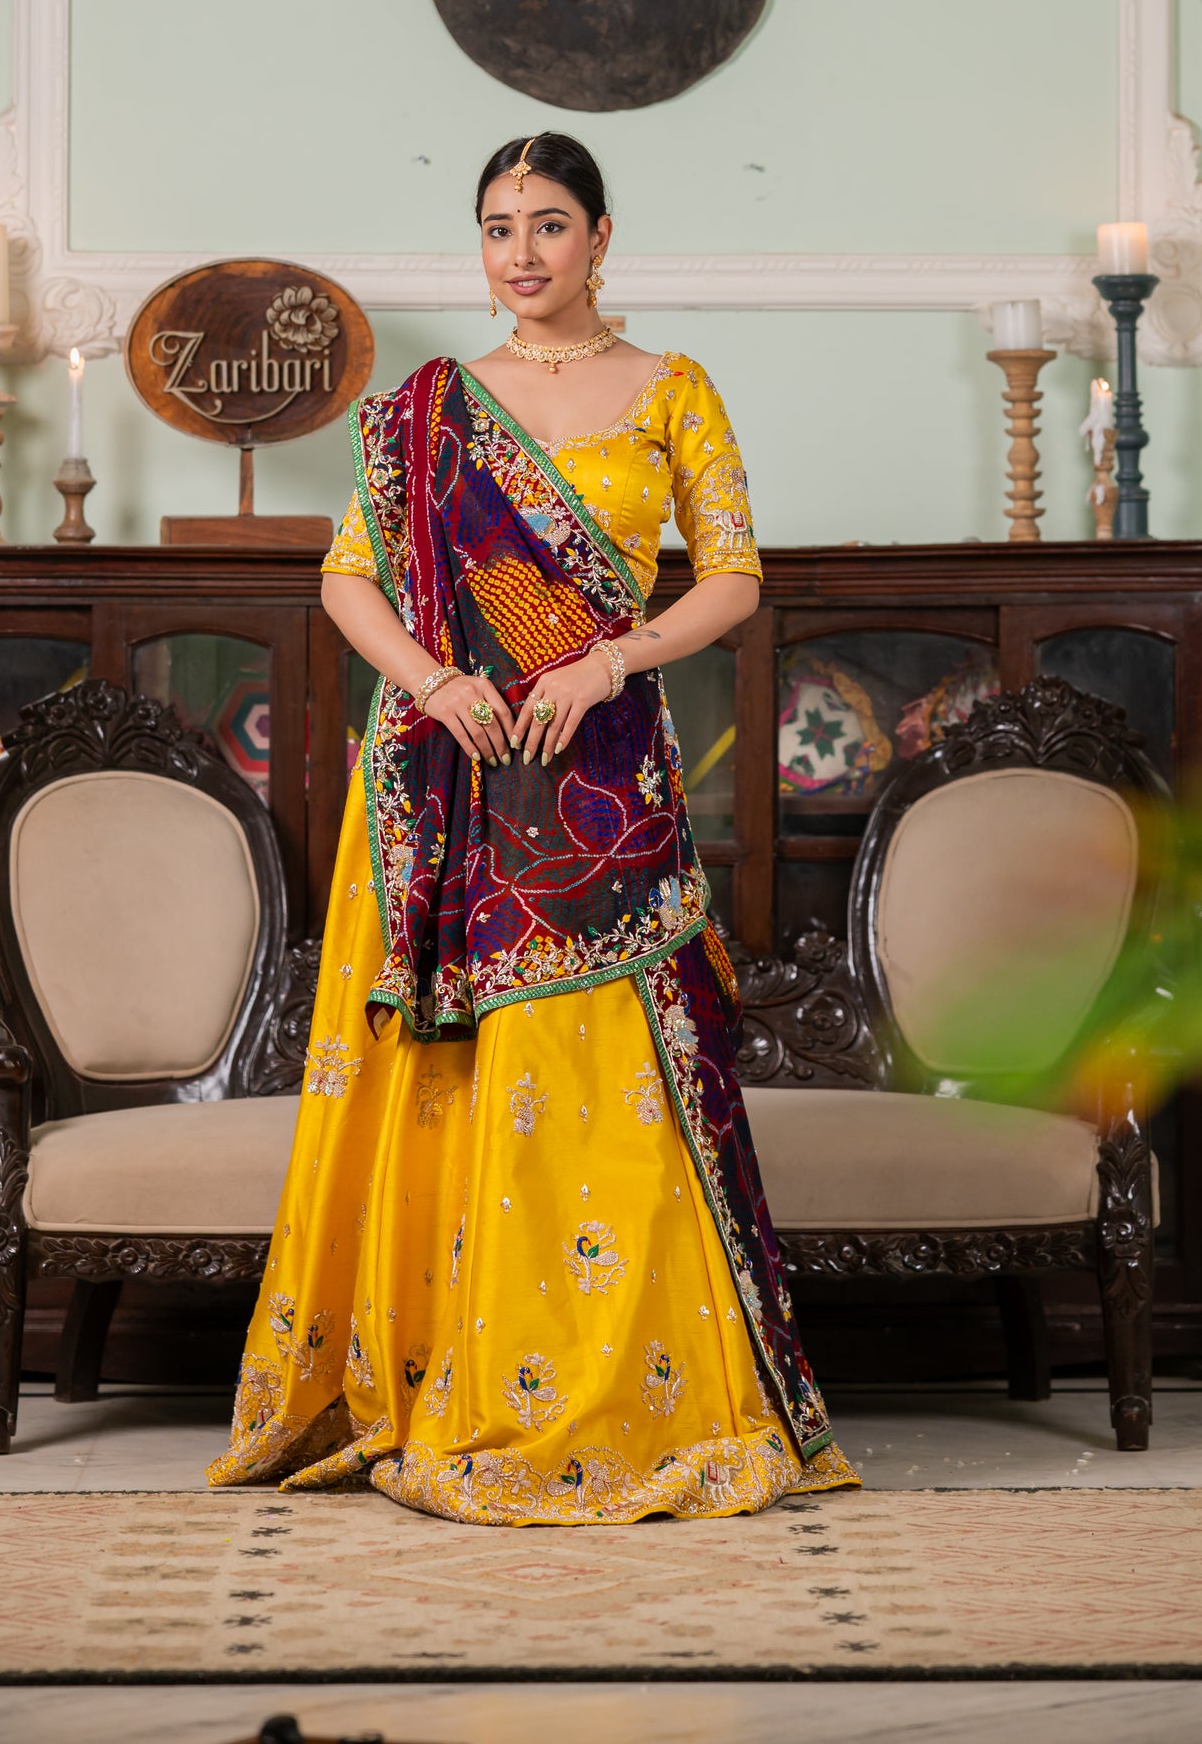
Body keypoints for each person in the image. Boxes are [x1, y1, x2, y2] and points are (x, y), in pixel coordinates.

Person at [207, 130, 855, 1524]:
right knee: (458, 1074)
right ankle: (453, 1375)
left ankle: (626, 1391)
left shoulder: (673, 390)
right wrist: (436, 681)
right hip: (443, 775)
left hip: (600, 773)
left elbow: (733, 576)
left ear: (602, 236)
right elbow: (346, 580)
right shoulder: (423, 409)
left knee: (604, 1081)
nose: (520, 252)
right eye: (497, 226)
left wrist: (608, 660)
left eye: (548, 223)